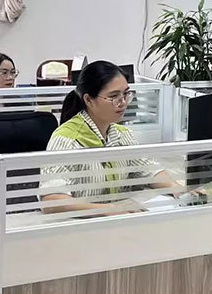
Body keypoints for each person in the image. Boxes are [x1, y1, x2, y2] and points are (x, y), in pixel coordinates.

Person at [40, 60, 185, 215]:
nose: (123, 103)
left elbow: (148, 169)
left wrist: (177, 188)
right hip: (80, 225)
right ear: (88, 100)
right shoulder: (66, 140)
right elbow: (52, 201)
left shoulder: (122, 135)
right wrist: (109, 210)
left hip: (118, 222)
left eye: (126, 94)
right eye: (114, 96)